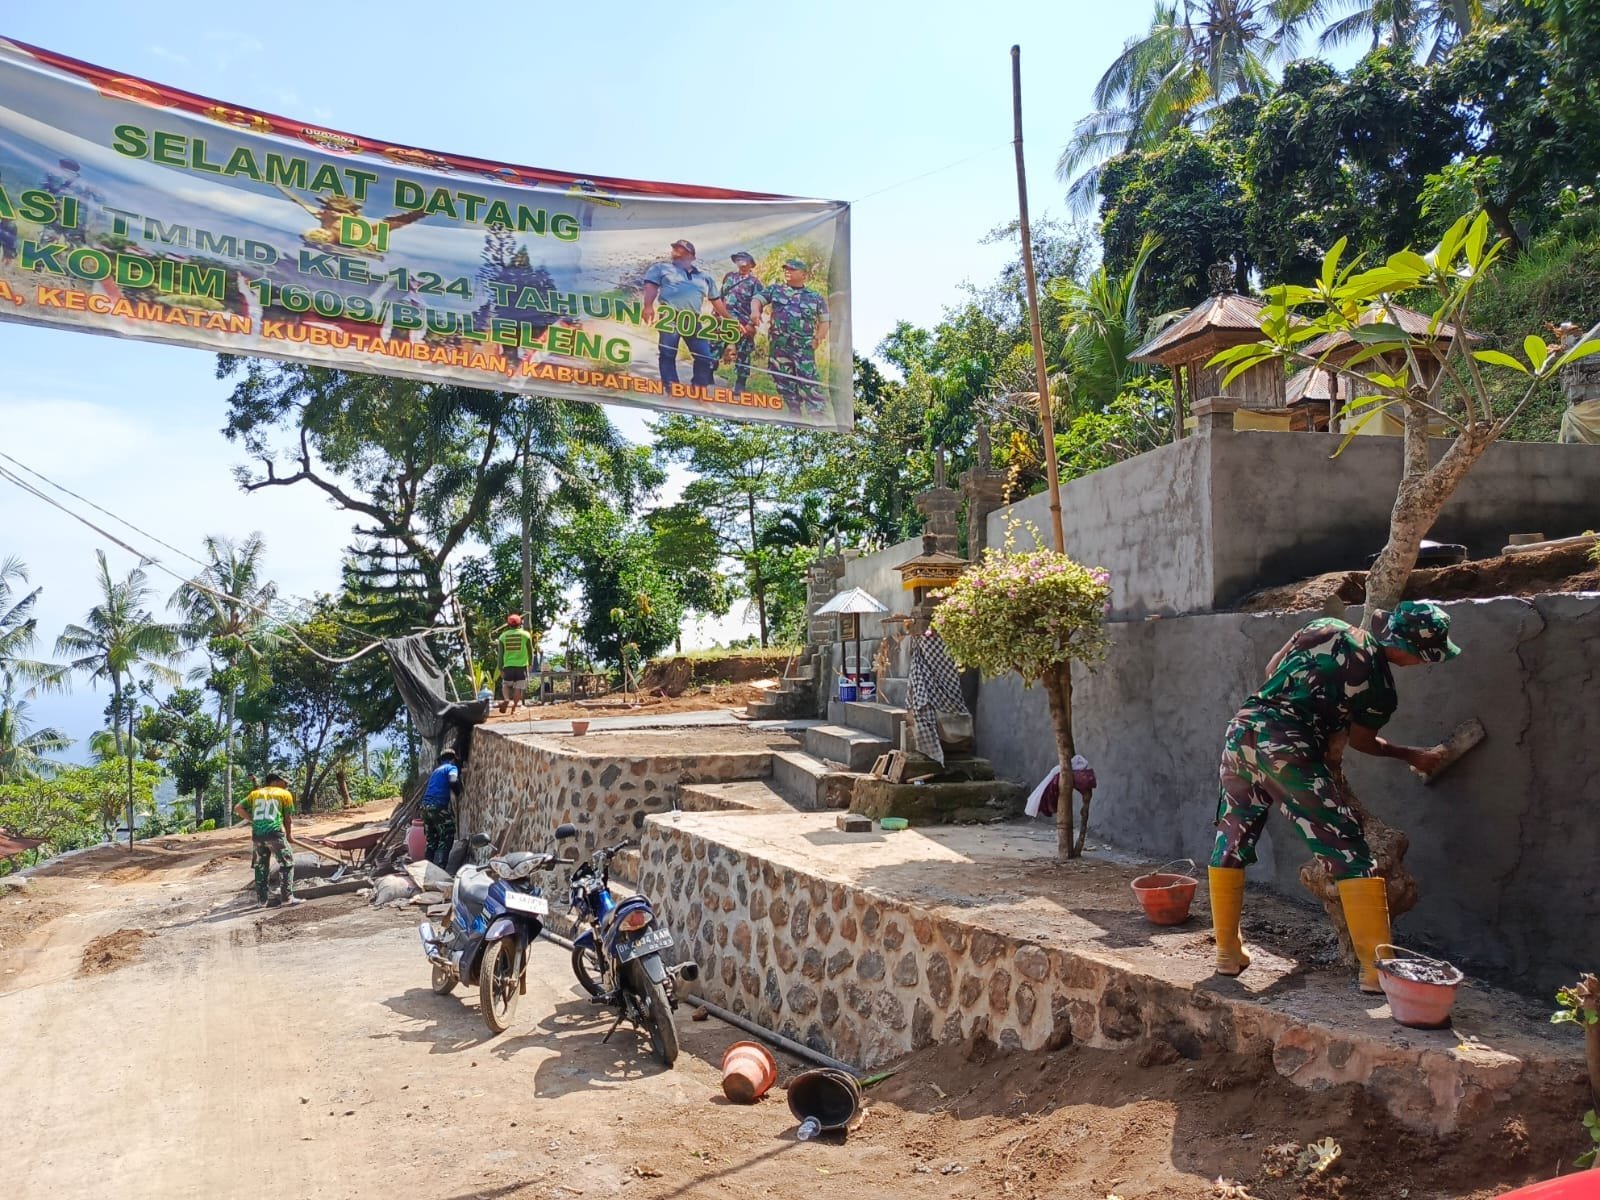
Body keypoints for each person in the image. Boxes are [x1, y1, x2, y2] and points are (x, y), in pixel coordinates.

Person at [1208, 601, 1458, 992]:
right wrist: (1412, 754)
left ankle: (1227, 953)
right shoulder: (1379, 689)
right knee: (1348, 851)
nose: (1422, 664)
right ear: (1410, 651)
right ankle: (1375, 969)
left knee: (1232, 839)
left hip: (1241, 733)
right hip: (1287, 748)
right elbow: (1363, 742)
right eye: (1425, 657)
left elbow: (1273, 668)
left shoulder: (1325, 626)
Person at [640, 239, 736, 388]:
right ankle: (672, 389)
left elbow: (716, 301)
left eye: (682, 250)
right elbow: (651, 286)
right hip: (670, 317)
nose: (676, 252)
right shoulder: (661, 268)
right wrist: (648, 306)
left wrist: (730, 320)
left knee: (704, 357)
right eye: (675, 249)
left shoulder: (704, 277)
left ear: (692, 256)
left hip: (693, 320)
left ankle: (699, 388)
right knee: (667, 353)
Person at [751, 259, 829, 415]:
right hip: (779, 346)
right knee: (782, 379)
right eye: (786, 269)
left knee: (808, 381)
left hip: (803, 348)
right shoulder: (776, 290)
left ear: (803, 274)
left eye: (792, 269)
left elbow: (825, 321)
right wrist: (755, 311)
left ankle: (817, 415)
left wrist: (818, 338)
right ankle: (794, 410)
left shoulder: (815, 297)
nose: (787, 272)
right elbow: (757, 299)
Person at [234, 773, 299, 908]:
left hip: (258, 836)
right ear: (275, 781)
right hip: (275, 834)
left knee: (261, 867)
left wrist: (253, 820)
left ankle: (261, 901)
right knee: (287, 863)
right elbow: (287, 819)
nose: (287, 785)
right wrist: (289, 836)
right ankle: (287, 898)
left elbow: (237, 808)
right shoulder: (284, 794)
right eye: (285, 782)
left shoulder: (255, 794)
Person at [718, 251, 761, 393]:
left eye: (744, 260)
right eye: (738, 260)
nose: (741, 262)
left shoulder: (755, 283)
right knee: (714, 346)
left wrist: (751, 324)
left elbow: (758, 305)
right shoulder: (729, 277)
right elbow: (720, 297)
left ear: (750, 264)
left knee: (743, 352)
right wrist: (716, 314)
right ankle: (707, 375)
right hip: (725, 319)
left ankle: (740, 383)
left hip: (743, 323)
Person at [420, 749, 460, 866]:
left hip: (425, 807)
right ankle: (440, 868)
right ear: (453, 759)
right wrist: (458, 792)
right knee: (448, 833)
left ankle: (427, 867)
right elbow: (453, 781)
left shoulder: (436, 771)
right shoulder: (451, 768)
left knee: (432, 840)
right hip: (437, 806)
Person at [497, 614, 534, 713]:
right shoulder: (526, 635)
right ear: (520, 623)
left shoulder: (502, 636)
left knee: (505, 685)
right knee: (518, 688)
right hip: (522, 666)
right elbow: (530, 652)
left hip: (508, 666)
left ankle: (506, 699)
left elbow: (500, 655)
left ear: (508, 624)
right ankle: (514, 708)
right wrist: (530, 664)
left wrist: (500, 668)